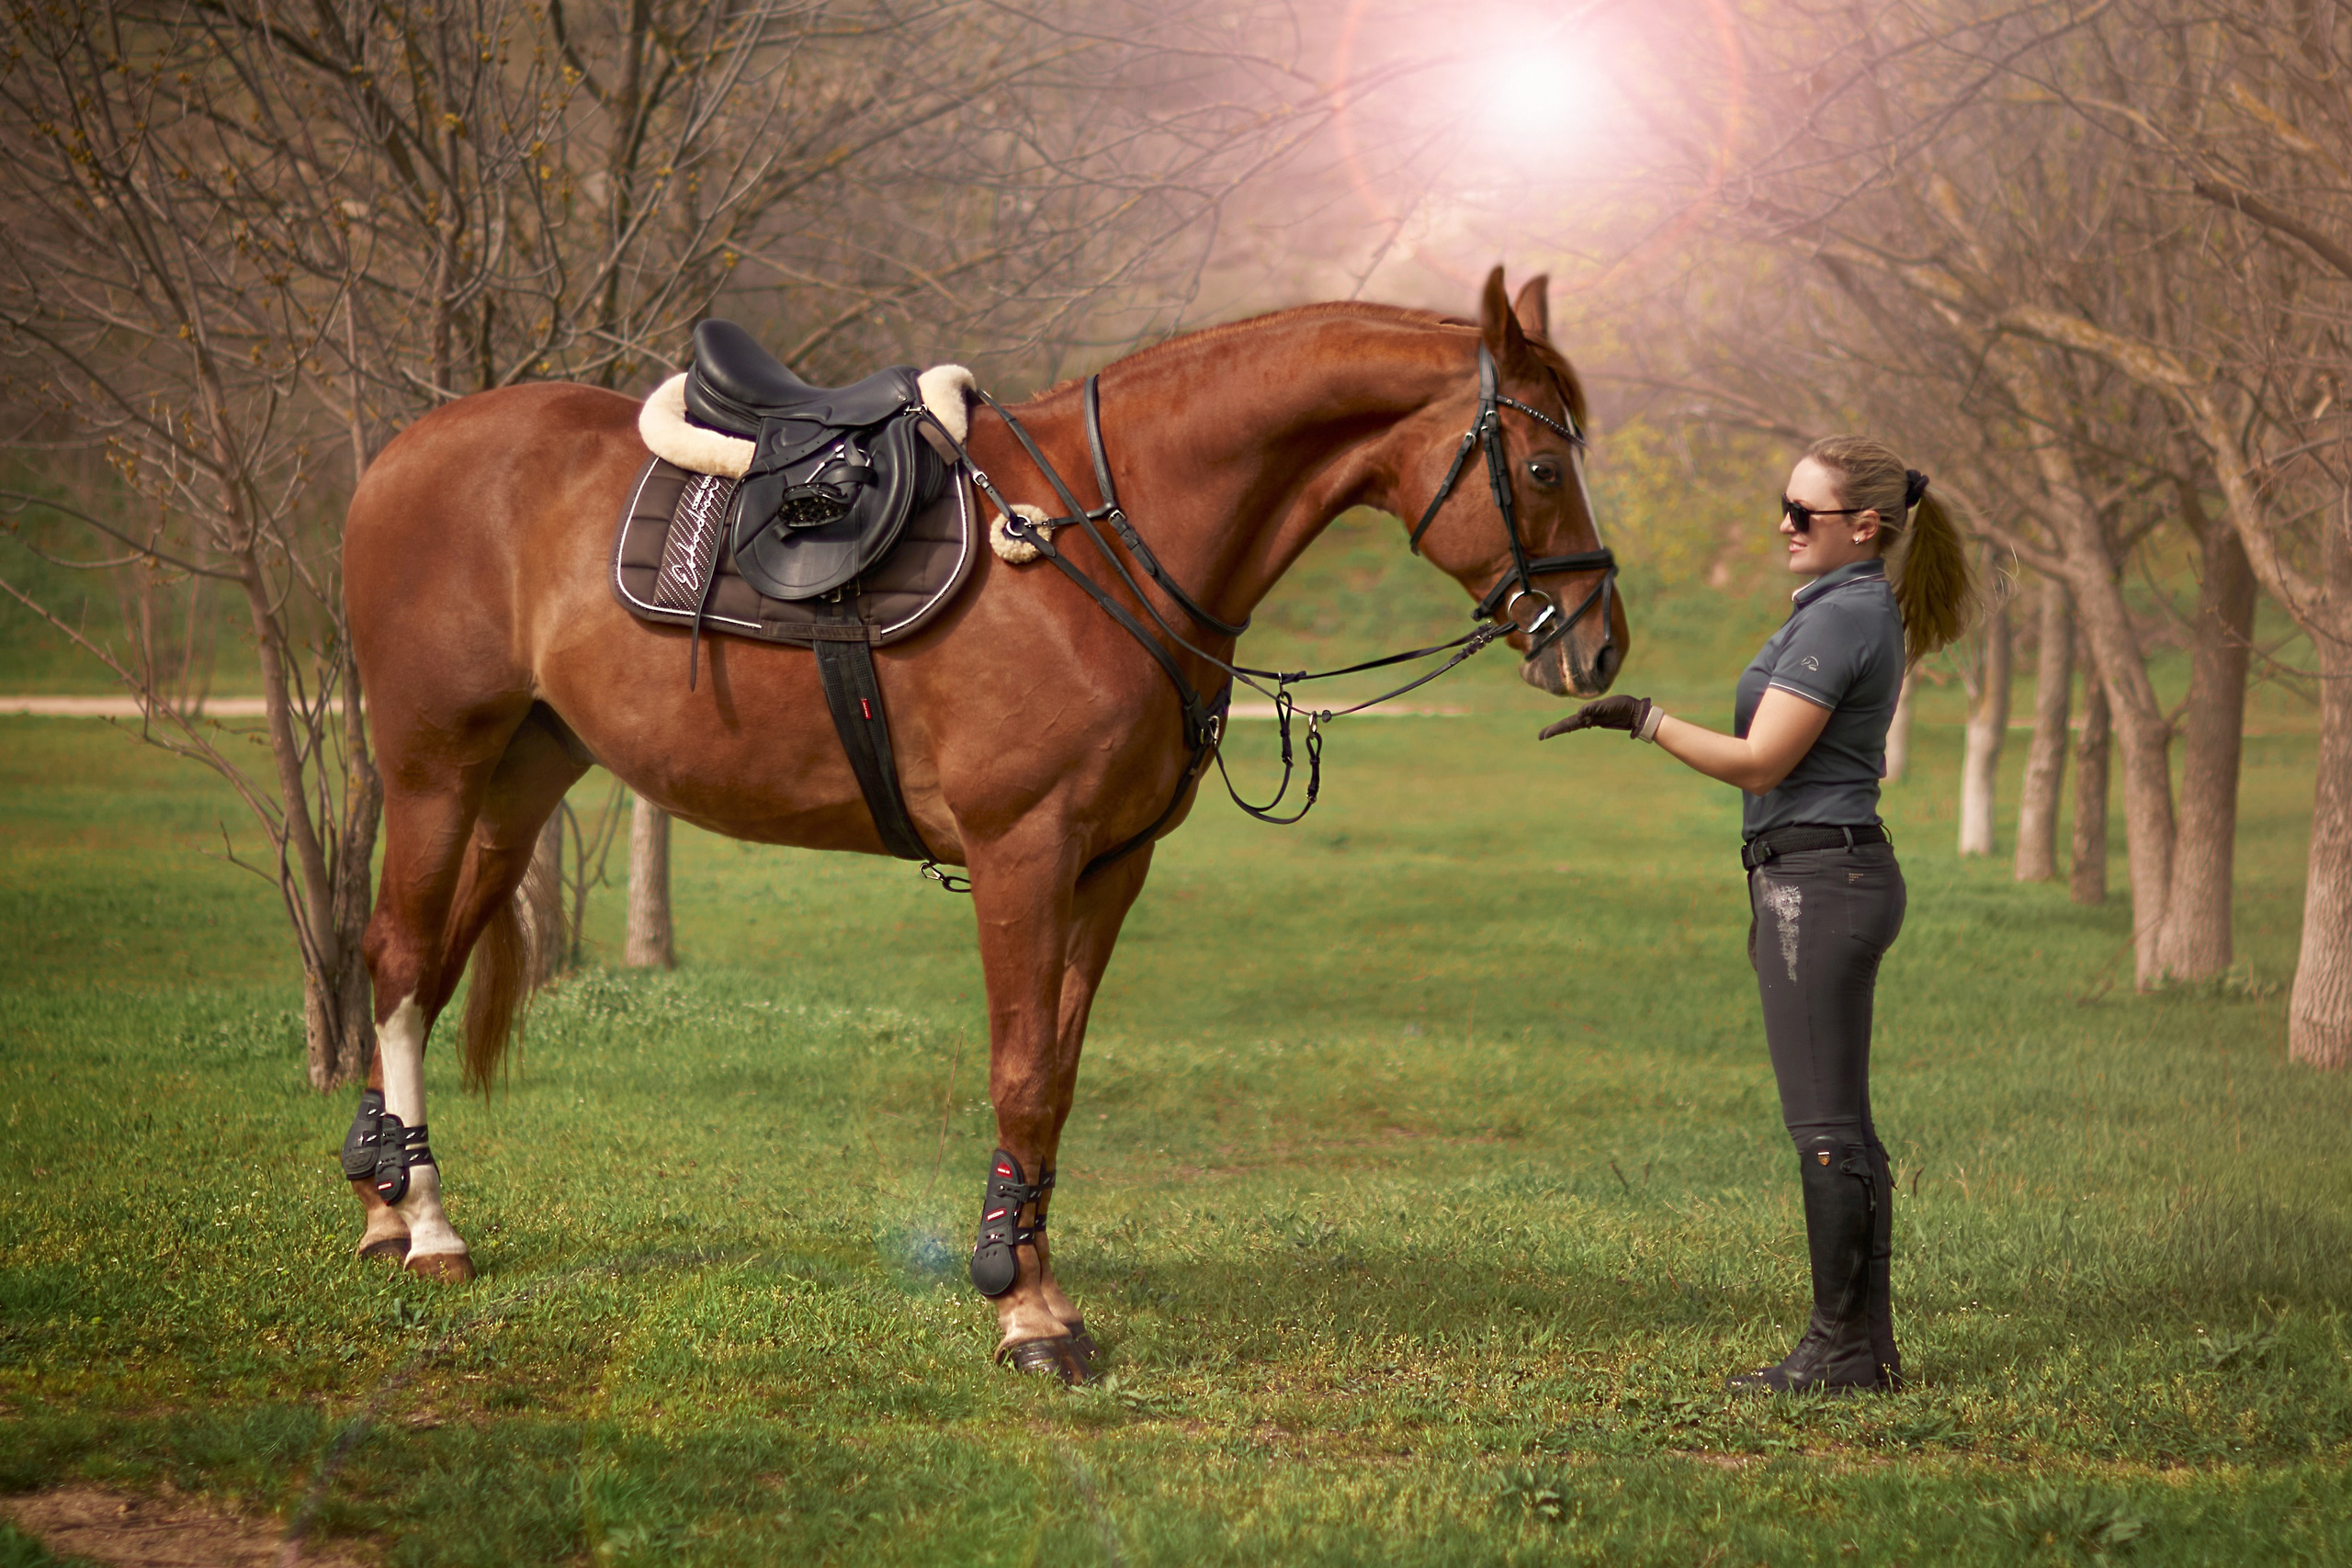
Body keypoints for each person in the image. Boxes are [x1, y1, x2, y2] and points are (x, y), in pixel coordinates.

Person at [1543, 435, 1972, 1393]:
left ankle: (1842, 1350)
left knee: (1826, 1126)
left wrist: (1644, 720)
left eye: (1801, 513)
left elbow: (1759, 761)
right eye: (1783, 504)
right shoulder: (1845, 609)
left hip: (1819, 888)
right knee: (1839, 1123)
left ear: (1862, 527)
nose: (1781, 524)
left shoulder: (1843, 618)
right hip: (1814, 880)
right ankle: (1861, 1345)